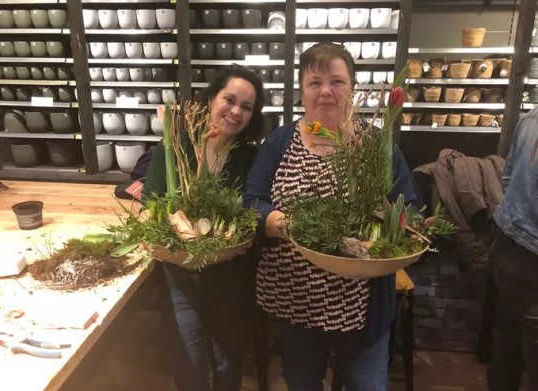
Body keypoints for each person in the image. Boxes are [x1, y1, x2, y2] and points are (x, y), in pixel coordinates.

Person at [243, 42, 418, 391]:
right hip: (297, 301)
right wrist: (287, 224)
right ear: (302, 91)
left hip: (362, 308)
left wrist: (384, 217)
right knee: (303, 383)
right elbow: (252, 203)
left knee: (367, 385)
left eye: (336, 81)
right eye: (314, 82)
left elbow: (409, 209)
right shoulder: (279, 144)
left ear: (351, 88)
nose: (326, 91)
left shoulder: (377, 145)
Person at [142, 64, 265, 391]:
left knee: (228, 363)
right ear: (211, 99)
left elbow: (253, 213)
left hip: (231, 278)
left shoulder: (249, 159)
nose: (236, 111)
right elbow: (150, 205)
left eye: (247, 107)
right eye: (229, 99)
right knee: (189, 364)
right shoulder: (175, 147)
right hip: (180, 277)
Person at [487, 107, 538, 391]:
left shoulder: (532, 116)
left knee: (508, 349)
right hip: (532, 259)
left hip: (509, 251)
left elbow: (506, 181)